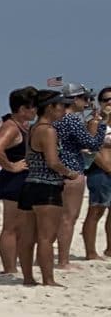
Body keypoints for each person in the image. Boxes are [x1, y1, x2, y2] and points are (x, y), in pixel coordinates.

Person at [20, 89, 73, 287]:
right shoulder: (48, 130)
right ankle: (48, 279)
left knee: (28, 237)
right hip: (47, 186)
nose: (64, 109)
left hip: (30, 185)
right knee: (46, 238)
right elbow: (52, 161)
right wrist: (69, 172)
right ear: (50, 107)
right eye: (61, 105)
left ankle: (27, 278)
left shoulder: (33, 128)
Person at [53, 85, 106, 267]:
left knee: (55, 217)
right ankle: (63, 260)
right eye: (84, 98)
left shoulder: (55, 119)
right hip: (72, 170)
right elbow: (92, 144)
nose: (87, 103)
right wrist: (101, 124)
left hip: (55, 170)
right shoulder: (72, 119)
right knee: (69, 217)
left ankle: (53, 257)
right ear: (75, 99)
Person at [0, 87, 38, 276]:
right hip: (13, 180)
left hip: (20, 180)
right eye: (33, 107)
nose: (35, 111)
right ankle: (9, 268)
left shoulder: (21, 125)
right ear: (23, 108)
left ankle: (13, 266)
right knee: (11, 226)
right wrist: (11, 166)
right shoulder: (11, 126)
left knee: (21, 226)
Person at [85, 85, 111, 260]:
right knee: (96, 210)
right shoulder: (95, 122)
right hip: (100, 170)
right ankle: (91, 252)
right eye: (106, 99)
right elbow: (90, 148)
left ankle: (110, 249)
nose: (109, 102)